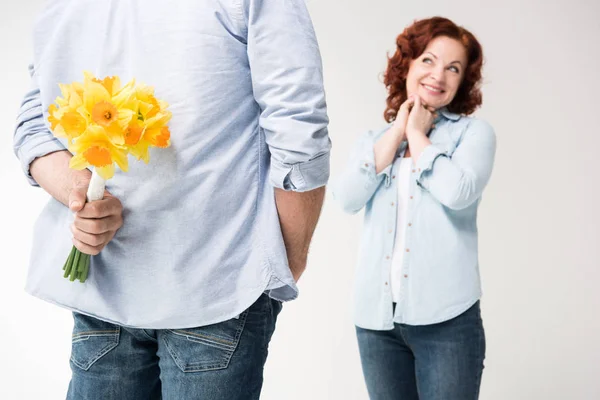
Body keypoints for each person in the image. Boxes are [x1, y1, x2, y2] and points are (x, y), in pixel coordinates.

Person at [13, 1, 330, 398]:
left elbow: (35, 125)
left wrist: (79, 195)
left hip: (109, 284)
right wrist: (289, 255)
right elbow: (299, 130)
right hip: (217, 280)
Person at [332, 16, 496, 400]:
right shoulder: (374, 140)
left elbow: (457, 192)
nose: (438, 74)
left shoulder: (473, 135)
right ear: (407, 63)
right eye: (428, 60)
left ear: (462, 81)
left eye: (453, 68)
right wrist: (398, 132)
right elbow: (346, 198)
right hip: (376, 322)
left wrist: (417, 135)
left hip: (448, 322)